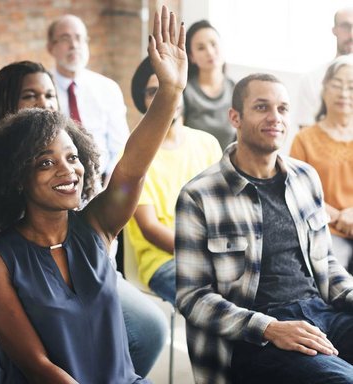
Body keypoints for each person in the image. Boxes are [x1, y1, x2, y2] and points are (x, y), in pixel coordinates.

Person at [0, 7, 185, 382]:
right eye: (46, 163)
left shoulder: (97, 226)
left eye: (72, 157)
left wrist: (169, 92)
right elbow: (40, 367)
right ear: (17, 177)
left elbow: (133, 166)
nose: (68, 171)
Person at [175, 73, 353, 384]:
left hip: (322, 312)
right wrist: (269, 327)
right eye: (261, 107)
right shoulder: (199, 195)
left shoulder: (305, 177)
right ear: (235, 117)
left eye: (283, 109)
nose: (275, 118)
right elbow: (193, 298)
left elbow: (327, 264)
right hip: (256, 333)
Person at [125, 57, 222, 304]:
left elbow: (224, 207)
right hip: (164, 262)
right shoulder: (133, 156)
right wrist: (202, 254)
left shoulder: (207, 143)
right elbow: (149, 228)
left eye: (170, 89)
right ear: (142, 101)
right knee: (217, 304)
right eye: (153, 92)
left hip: (215, 254)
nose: (165, 97)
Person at [46, 14, 130, 179]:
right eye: (65, 38)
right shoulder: (43, 89)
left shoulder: (108, 88)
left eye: (79, 38)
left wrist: (110, 184)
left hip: (102, 182)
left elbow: (121, 147)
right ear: (51, 47)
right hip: (57, 180)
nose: (74, 45)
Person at [291, 55, 353, 273]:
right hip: (324, 230)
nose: (344, 93)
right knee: (334, 278)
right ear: (324, 90)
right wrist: (337, 216)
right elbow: (296, 192)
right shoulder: (304, 139)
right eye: (337, 85)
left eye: (351, 87)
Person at [295, 7, 353, 131]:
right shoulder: (311, 80)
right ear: (334, 30)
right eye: (345, 26)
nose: (352, 33)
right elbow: (306, 138)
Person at [183, 20, 235, 149]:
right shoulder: (185, 92)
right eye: (201, 48)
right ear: (191, 56)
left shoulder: (236, 90)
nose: (210, 52)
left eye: (213, 44)